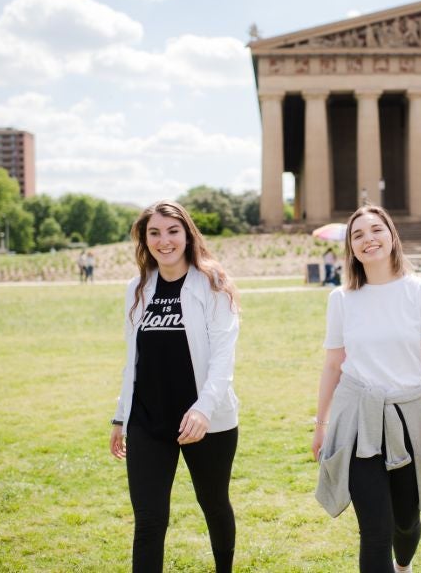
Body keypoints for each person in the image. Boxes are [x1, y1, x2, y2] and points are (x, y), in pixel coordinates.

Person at [312, 204, 421, 573]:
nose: (367, 239)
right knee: (374, 530)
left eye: (375, 230)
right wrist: (321, 424)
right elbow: (332, 364)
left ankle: (404, 565)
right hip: (359, 420)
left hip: (409, 418)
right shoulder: (341, 299)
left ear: (392, 236)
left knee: (405, 522)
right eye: (357, 235)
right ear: (351, 248)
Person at [109, 200, 240, 573]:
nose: (163, 240)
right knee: (149, 521)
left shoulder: (212, 284)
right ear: (144, 239)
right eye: (154, 232)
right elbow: (134, 358)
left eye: (172, 231)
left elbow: (222, 357)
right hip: (148, 421)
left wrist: (203, 408)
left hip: (205, 420)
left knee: (214, 504)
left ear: (187, 235)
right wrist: (121, 416)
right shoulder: (137, 288)